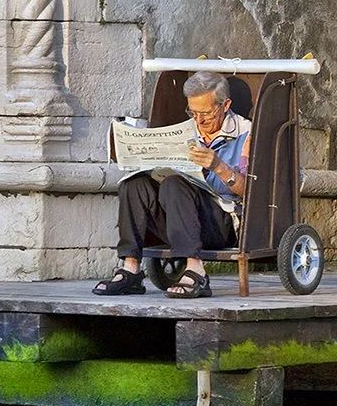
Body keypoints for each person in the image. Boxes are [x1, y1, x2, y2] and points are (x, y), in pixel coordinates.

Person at [93, 70, 252, 299]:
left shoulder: (247, 133)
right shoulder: (188, 129)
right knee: (134, 184)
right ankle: (131, 268)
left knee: (175, 184)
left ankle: (196, 270)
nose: (199, 120)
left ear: (225, 105)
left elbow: (252, 192)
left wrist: (219, 166)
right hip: (179, 218)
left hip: (221, 221)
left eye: (205, 113)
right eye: (193, 112)